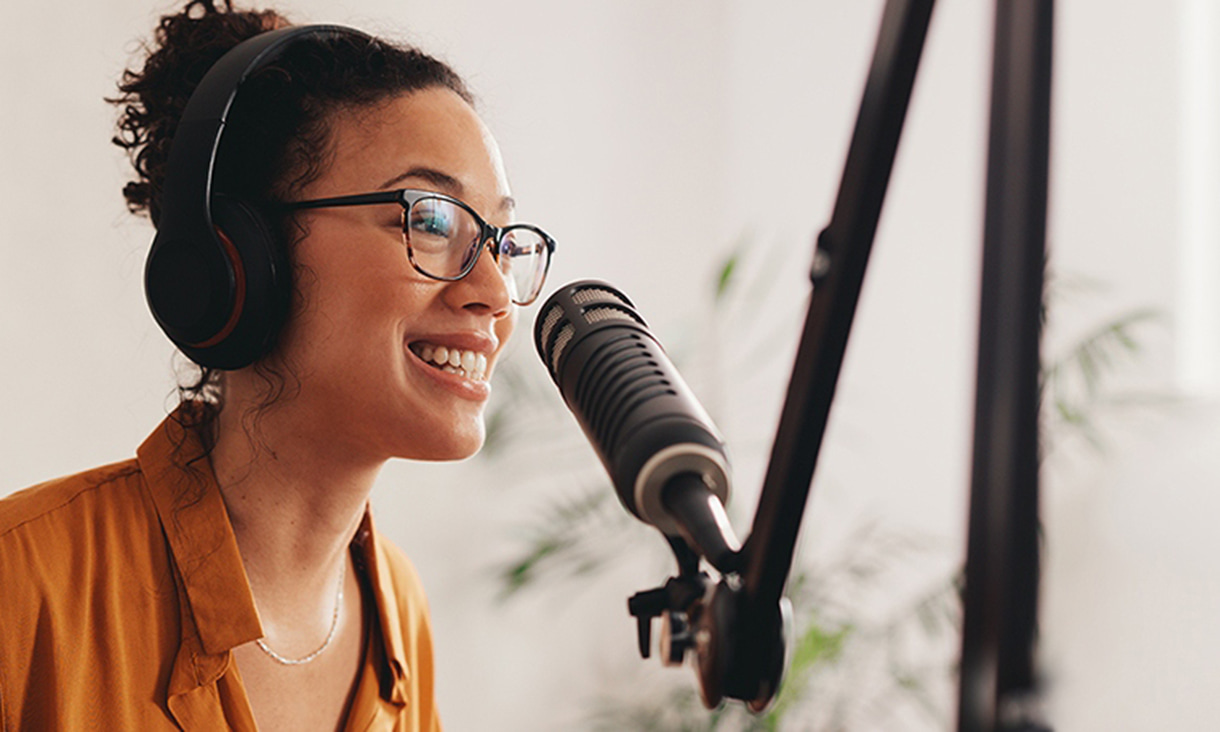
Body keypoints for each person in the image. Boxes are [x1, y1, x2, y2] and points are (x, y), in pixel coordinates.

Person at [0, 1, 553, 729]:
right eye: (429, 220)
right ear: (241, 261)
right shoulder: (25, 585)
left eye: (501, 239)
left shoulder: (398, 613)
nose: (492, 296)